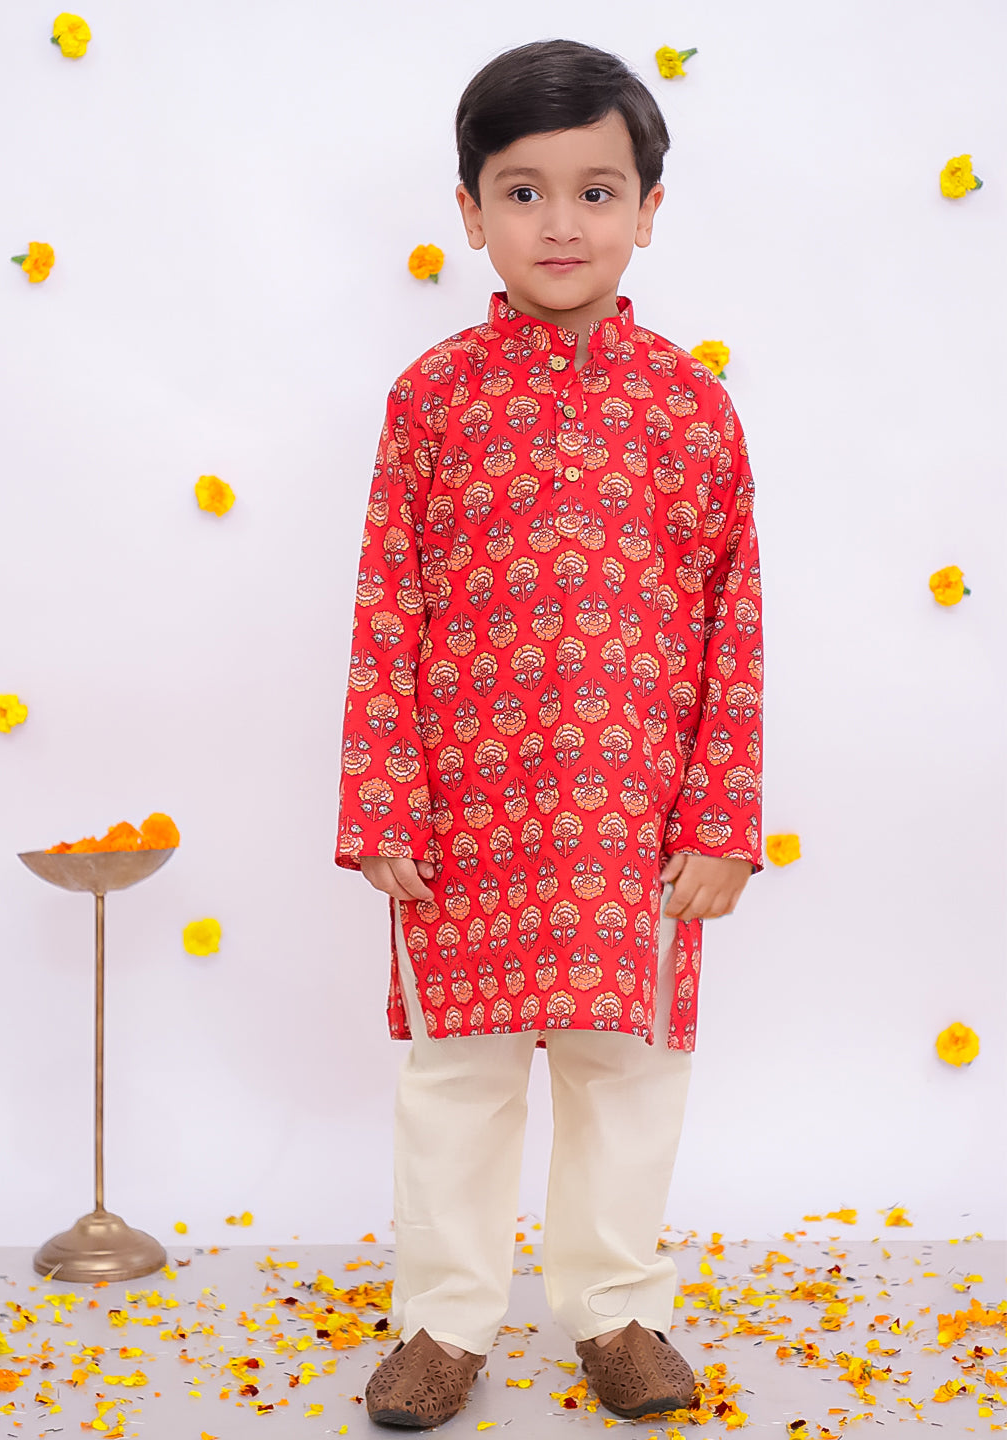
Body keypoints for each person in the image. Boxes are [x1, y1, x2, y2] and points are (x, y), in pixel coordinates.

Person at [334, 37, 764, 1429]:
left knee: (624, 1074)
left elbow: (734, 626)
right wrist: (382, 804)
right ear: (470, 213)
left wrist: (722, 821)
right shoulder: (432, 399)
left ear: (649, 209)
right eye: (523, 192)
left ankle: (614, 1307)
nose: (561, 223)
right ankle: (445, 1321)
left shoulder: (693, 411)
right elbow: (387, 608)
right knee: (456, 1080)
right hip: (464, 820)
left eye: (597, 190)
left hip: (635, 823)